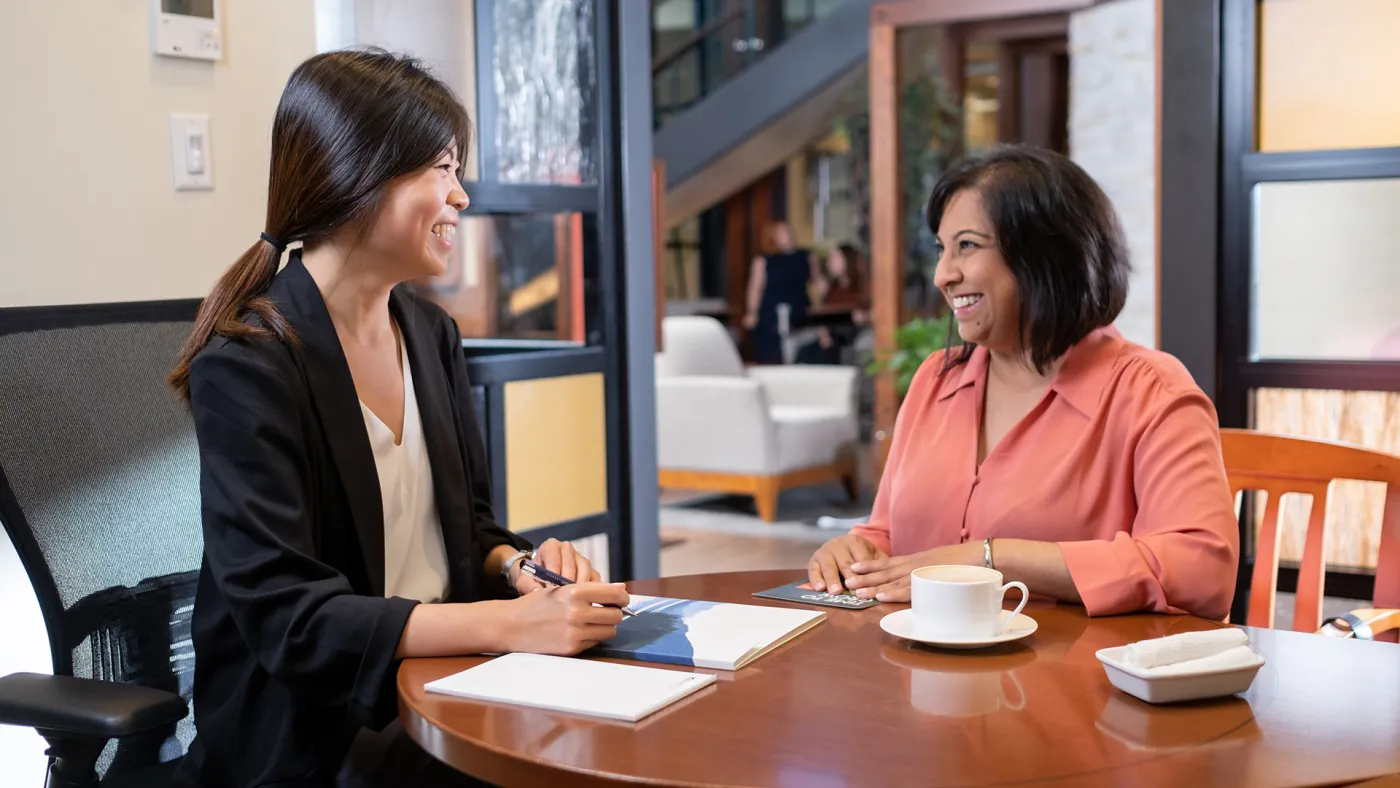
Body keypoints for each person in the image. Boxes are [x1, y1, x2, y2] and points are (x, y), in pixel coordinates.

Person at [167, 49, 630, 788]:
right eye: (440, 169)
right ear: (357, 175)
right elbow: (293, 619)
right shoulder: (249, 363)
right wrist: (507, 628)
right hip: (316, 733)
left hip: (445, 687)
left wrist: (520, 569)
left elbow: (467, 525)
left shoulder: (429, 333)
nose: (462, 195)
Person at [806, 146, 1239, 621]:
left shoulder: (1151, 391)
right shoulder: (935, 378)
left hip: (1074, 685)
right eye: (941, 249)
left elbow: (1202, 573)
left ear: (1046, 256)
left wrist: (992, 559)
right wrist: (854, 550)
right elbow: (888, 535)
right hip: (920, 676)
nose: (943, 275)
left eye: (967, 246)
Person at [743, 221, 825, 364]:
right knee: (771, 356)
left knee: (801, 353)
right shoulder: (763, 260)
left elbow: (818, 281)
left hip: (799, 310)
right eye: (781, 232)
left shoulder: (806, 256)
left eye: (788, 231)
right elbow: (755, 288)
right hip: (770, 314)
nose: (787, 235)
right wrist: (752, 312)